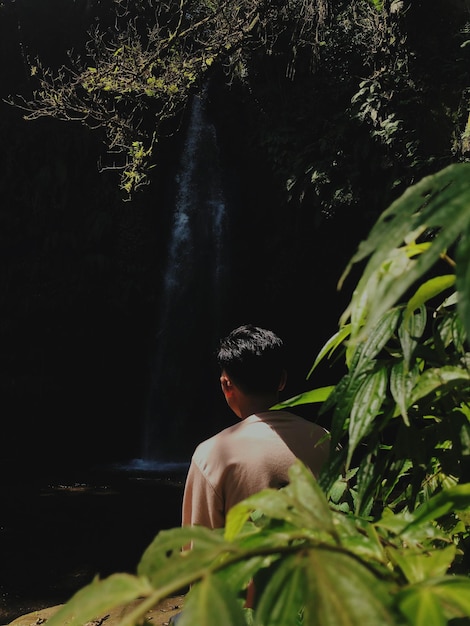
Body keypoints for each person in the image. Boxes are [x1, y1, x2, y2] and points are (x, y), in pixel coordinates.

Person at [182, 324, 331, 529]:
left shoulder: (211, 455)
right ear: (282, 380)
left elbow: (200, 551)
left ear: (226, 385)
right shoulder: (325, 440)